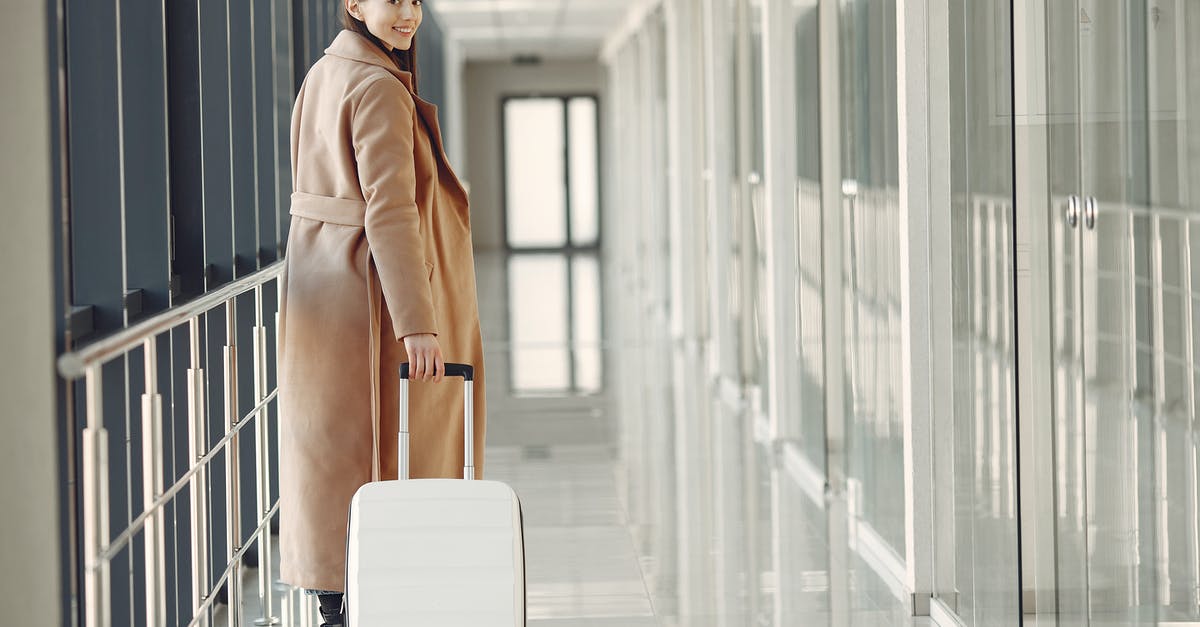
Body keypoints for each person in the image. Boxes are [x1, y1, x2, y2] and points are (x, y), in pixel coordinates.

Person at [276, 1, 487, 624]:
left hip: (322, 288)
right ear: (353, 4)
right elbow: (390, 210)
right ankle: (374, 587)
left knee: (329, 448)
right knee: (386, 452)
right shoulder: (377, 86)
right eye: (392, 0)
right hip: (371, 298)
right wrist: (417, 323)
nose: (408, 14)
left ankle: (332, 593)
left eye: (415, 0)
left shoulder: (324, 73)